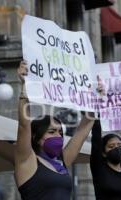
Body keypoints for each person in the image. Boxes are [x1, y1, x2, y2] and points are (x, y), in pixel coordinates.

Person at [15, 61, 97, 200]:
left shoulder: (61, 162)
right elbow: (24, 125)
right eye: (52, 132)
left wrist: (94, 98)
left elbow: (83, 130)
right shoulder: (27, 160)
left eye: (60, 132)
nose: (58, 136)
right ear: (35, 137)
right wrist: (25, 85)